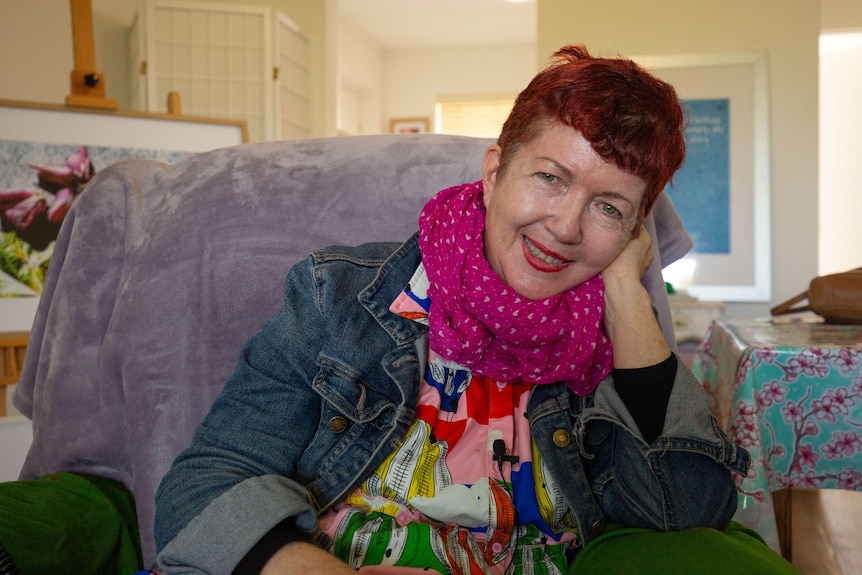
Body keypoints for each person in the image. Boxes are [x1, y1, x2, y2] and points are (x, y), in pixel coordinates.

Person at [153, 45, 798, 574]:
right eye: (550, 177)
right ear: (495, 173)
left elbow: (681, 508)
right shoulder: (339, 296)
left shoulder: (614, 337)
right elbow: (207, 480)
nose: (566, 228)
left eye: (609, 208)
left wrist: (628, 289)